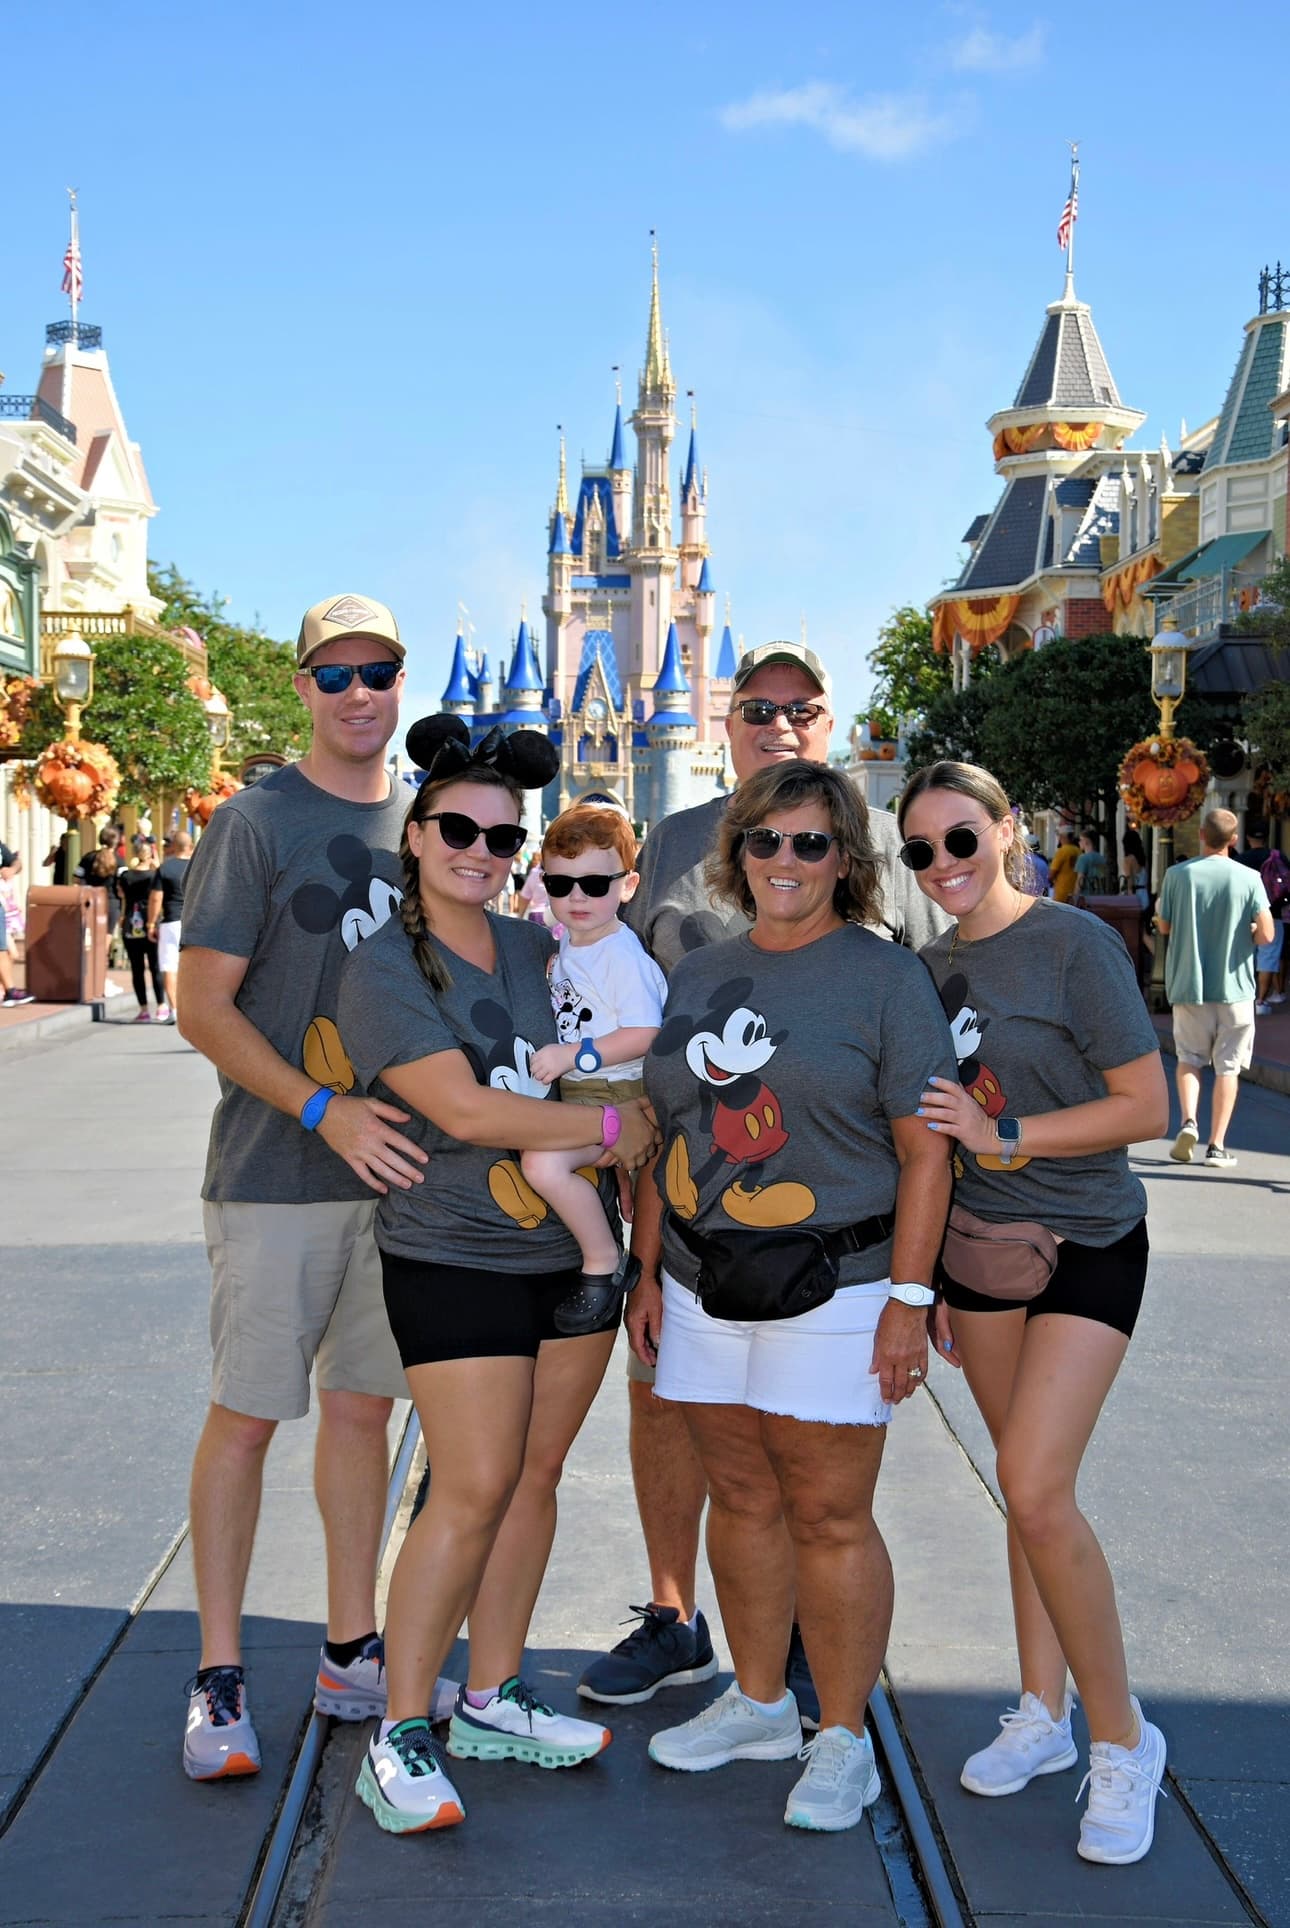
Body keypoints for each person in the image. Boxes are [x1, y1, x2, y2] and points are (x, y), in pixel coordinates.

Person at [577, 640, 949, 1728]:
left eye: (803, 707)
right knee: (715, 1461)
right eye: (757, 706)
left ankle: (824, 1698)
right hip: (695, 1245)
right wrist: (643, 1261)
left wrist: (920, 1289)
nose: (787, 855)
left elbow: (932, 1092)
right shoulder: (685, 901)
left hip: (836, 1249)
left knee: (823, 1495)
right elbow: (632, 1039)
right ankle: (708, 1647)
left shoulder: (885, 912)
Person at [336, 714, 657, 1836]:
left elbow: (622, 1035)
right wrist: (613, 1121)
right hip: (453, 1250)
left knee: (534, 1475)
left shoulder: (534, 948)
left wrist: (611, 1114)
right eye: (458, 827)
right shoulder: (380, 967)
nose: (481, 847)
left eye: (501, 834)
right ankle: (401, 1729)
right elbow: (465, 1108)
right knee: (470, 1485)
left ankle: (492, 1693)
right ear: (415, 836)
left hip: (562, 1252)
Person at [176, 592, 438, 1783]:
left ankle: (349, 1646)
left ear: (400, 680)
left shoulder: (429, 824)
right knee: (247, 1416)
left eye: (376, 670)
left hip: (403, 1179)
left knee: (360, 1414)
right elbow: (203, 1003)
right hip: (280, 1171)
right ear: (301, 688)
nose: (357, 692)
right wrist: (323, 1109)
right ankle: (219, 1672)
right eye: (333, 674)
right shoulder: (255, 819)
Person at [898, 759, 1171, 1867]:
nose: (944, 865)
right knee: (1023, 1484)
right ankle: (1041, 1712)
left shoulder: (1071, 944)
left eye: (962, 838)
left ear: (1007, 830)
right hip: (983, 1252)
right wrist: (926, 1280)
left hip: (1091, 1239)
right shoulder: (924, 967)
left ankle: (1123, 1737)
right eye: (920, 850)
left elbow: (1144, 1104)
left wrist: (1003, 1135)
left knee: (1037, 1483)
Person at [522, 804, 666, 1334]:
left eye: (595, 883)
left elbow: (645, 1033)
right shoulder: (576, 943)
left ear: (627, 886)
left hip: (614, 1091)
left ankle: (604, 1263)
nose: (577, 897)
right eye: (561, 884)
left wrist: (572, 1055)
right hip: (588, 1090)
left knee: (542, 1164)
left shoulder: (619, 954)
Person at [1157, 809, 1273, 1168]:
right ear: (1233, 840)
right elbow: (1267, 935)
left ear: (1202, 837)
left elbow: (1163, 926)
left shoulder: (1177, 875)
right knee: (1228, 1068)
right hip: (1236, 988)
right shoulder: (1249, 877)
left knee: (1189, 1060)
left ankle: (1189, 1121)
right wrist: (1246, 933)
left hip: (1190, 985)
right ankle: (1217, 1146)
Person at [147, 831, 193, 1023]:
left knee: (169, 967)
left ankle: (174, 1010)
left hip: (172, 921)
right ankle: (193, 1009)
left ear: (173, 846)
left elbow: (156, 897)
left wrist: (151, 922)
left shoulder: (165, 868)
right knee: (193, 967)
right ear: (190, 846)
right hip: (195, 921)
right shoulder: (199, 867)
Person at [118, 836, 164, 1020]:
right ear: (150, 855)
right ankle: (161, 1006)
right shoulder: (155, 876)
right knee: (155, 966)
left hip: (131, 923)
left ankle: (143, 1009)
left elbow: (121, 895)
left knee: (136, 968)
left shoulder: (125, 876)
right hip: (150, 922)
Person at [77, 825, 126, 957]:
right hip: (112, 902)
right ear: (116, 842)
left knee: (90, 935)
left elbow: (76, 878)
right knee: (106, 936)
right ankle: (100, 969)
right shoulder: (120, 861)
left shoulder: (88, 857)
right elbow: (123, 882)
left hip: (90, 901)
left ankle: (89, 967)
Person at [0, 838, 35, 1004]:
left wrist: (12, 869)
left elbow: (15, 862)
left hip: (3, 907)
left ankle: (8, 991)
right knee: (6, 951)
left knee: (3, 950)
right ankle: (9, 990)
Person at [1049, 826, 1079, 904]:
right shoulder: (1078, 851)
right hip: (1075, 893)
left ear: (1062, 836)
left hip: (1062, 893)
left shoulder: (1062, 851)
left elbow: (1052, 874)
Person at [1074, 828, 1108, 897]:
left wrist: (1075, 896)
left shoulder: (1083, 858)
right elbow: (1103, 878)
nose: (1079, 842)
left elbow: (1080, 881)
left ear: (1086, 841)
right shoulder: (1102, 858)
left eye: (1080, 840)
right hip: (1100, 896)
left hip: (1086, 897)